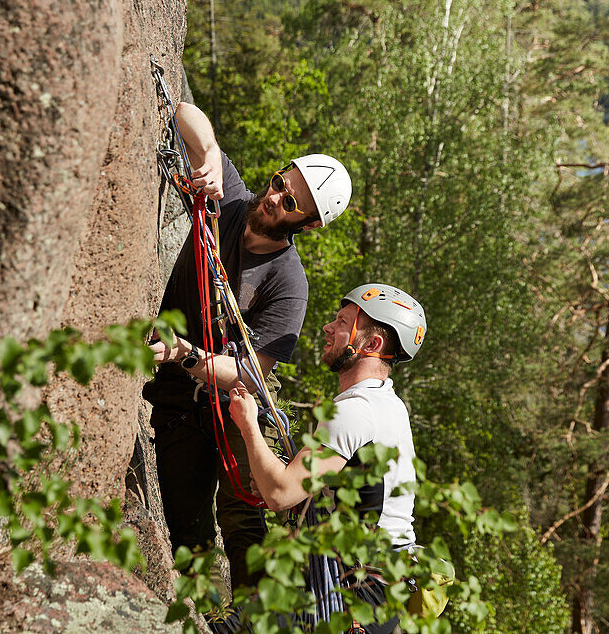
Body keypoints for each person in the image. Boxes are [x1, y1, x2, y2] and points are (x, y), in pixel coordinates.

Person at [142, 101, 352, 594]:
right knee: (187, 530)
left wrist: (184, 354)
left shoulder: (288, 283)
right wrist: (211, 151)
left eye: (291, 201)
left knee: (242, 520)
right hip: (180, 396)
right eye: (281, 182)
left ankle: (250, 617)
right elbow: (181, 110)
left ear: (310, 224)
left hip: (237, 399)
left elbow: (250, 370)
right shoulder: (231, 202)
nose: (276, 197)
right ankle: (207, 613)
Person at [228, 283, 427, 633]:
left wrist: (247, 425)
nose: (328, 328)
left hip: (355, 593)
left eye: (342, 321)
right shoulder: (388, 404)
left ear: (372, 344)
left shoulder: (356, 411)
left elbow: (279, 494)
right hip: (382, 588)